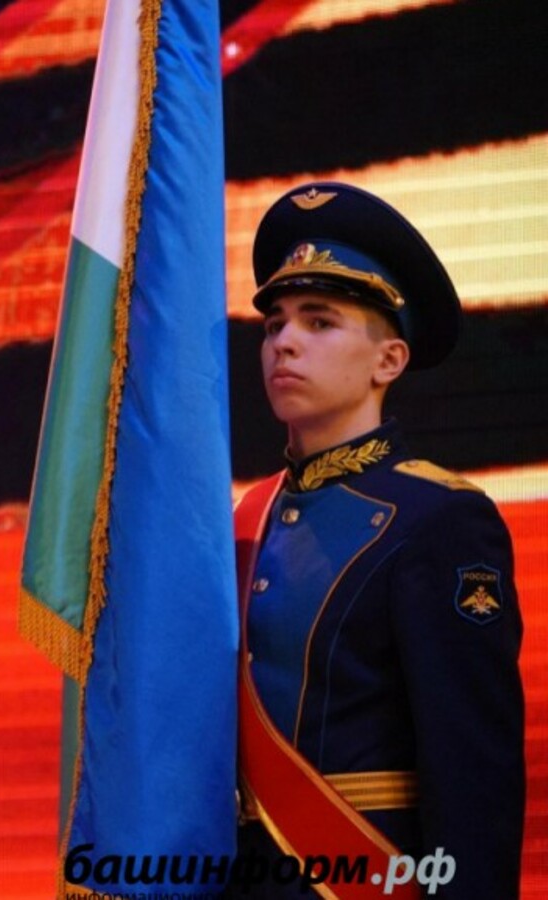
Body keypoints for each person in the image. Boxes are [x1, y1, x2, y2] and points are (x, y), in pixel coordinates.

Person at [233, 183, 523, 898]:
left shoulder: (439, 517)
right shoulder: (248, 515)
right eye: (274, 324)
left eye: (320, 321)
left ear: (388, 361)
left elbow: (472, 772)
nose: (284, 342)